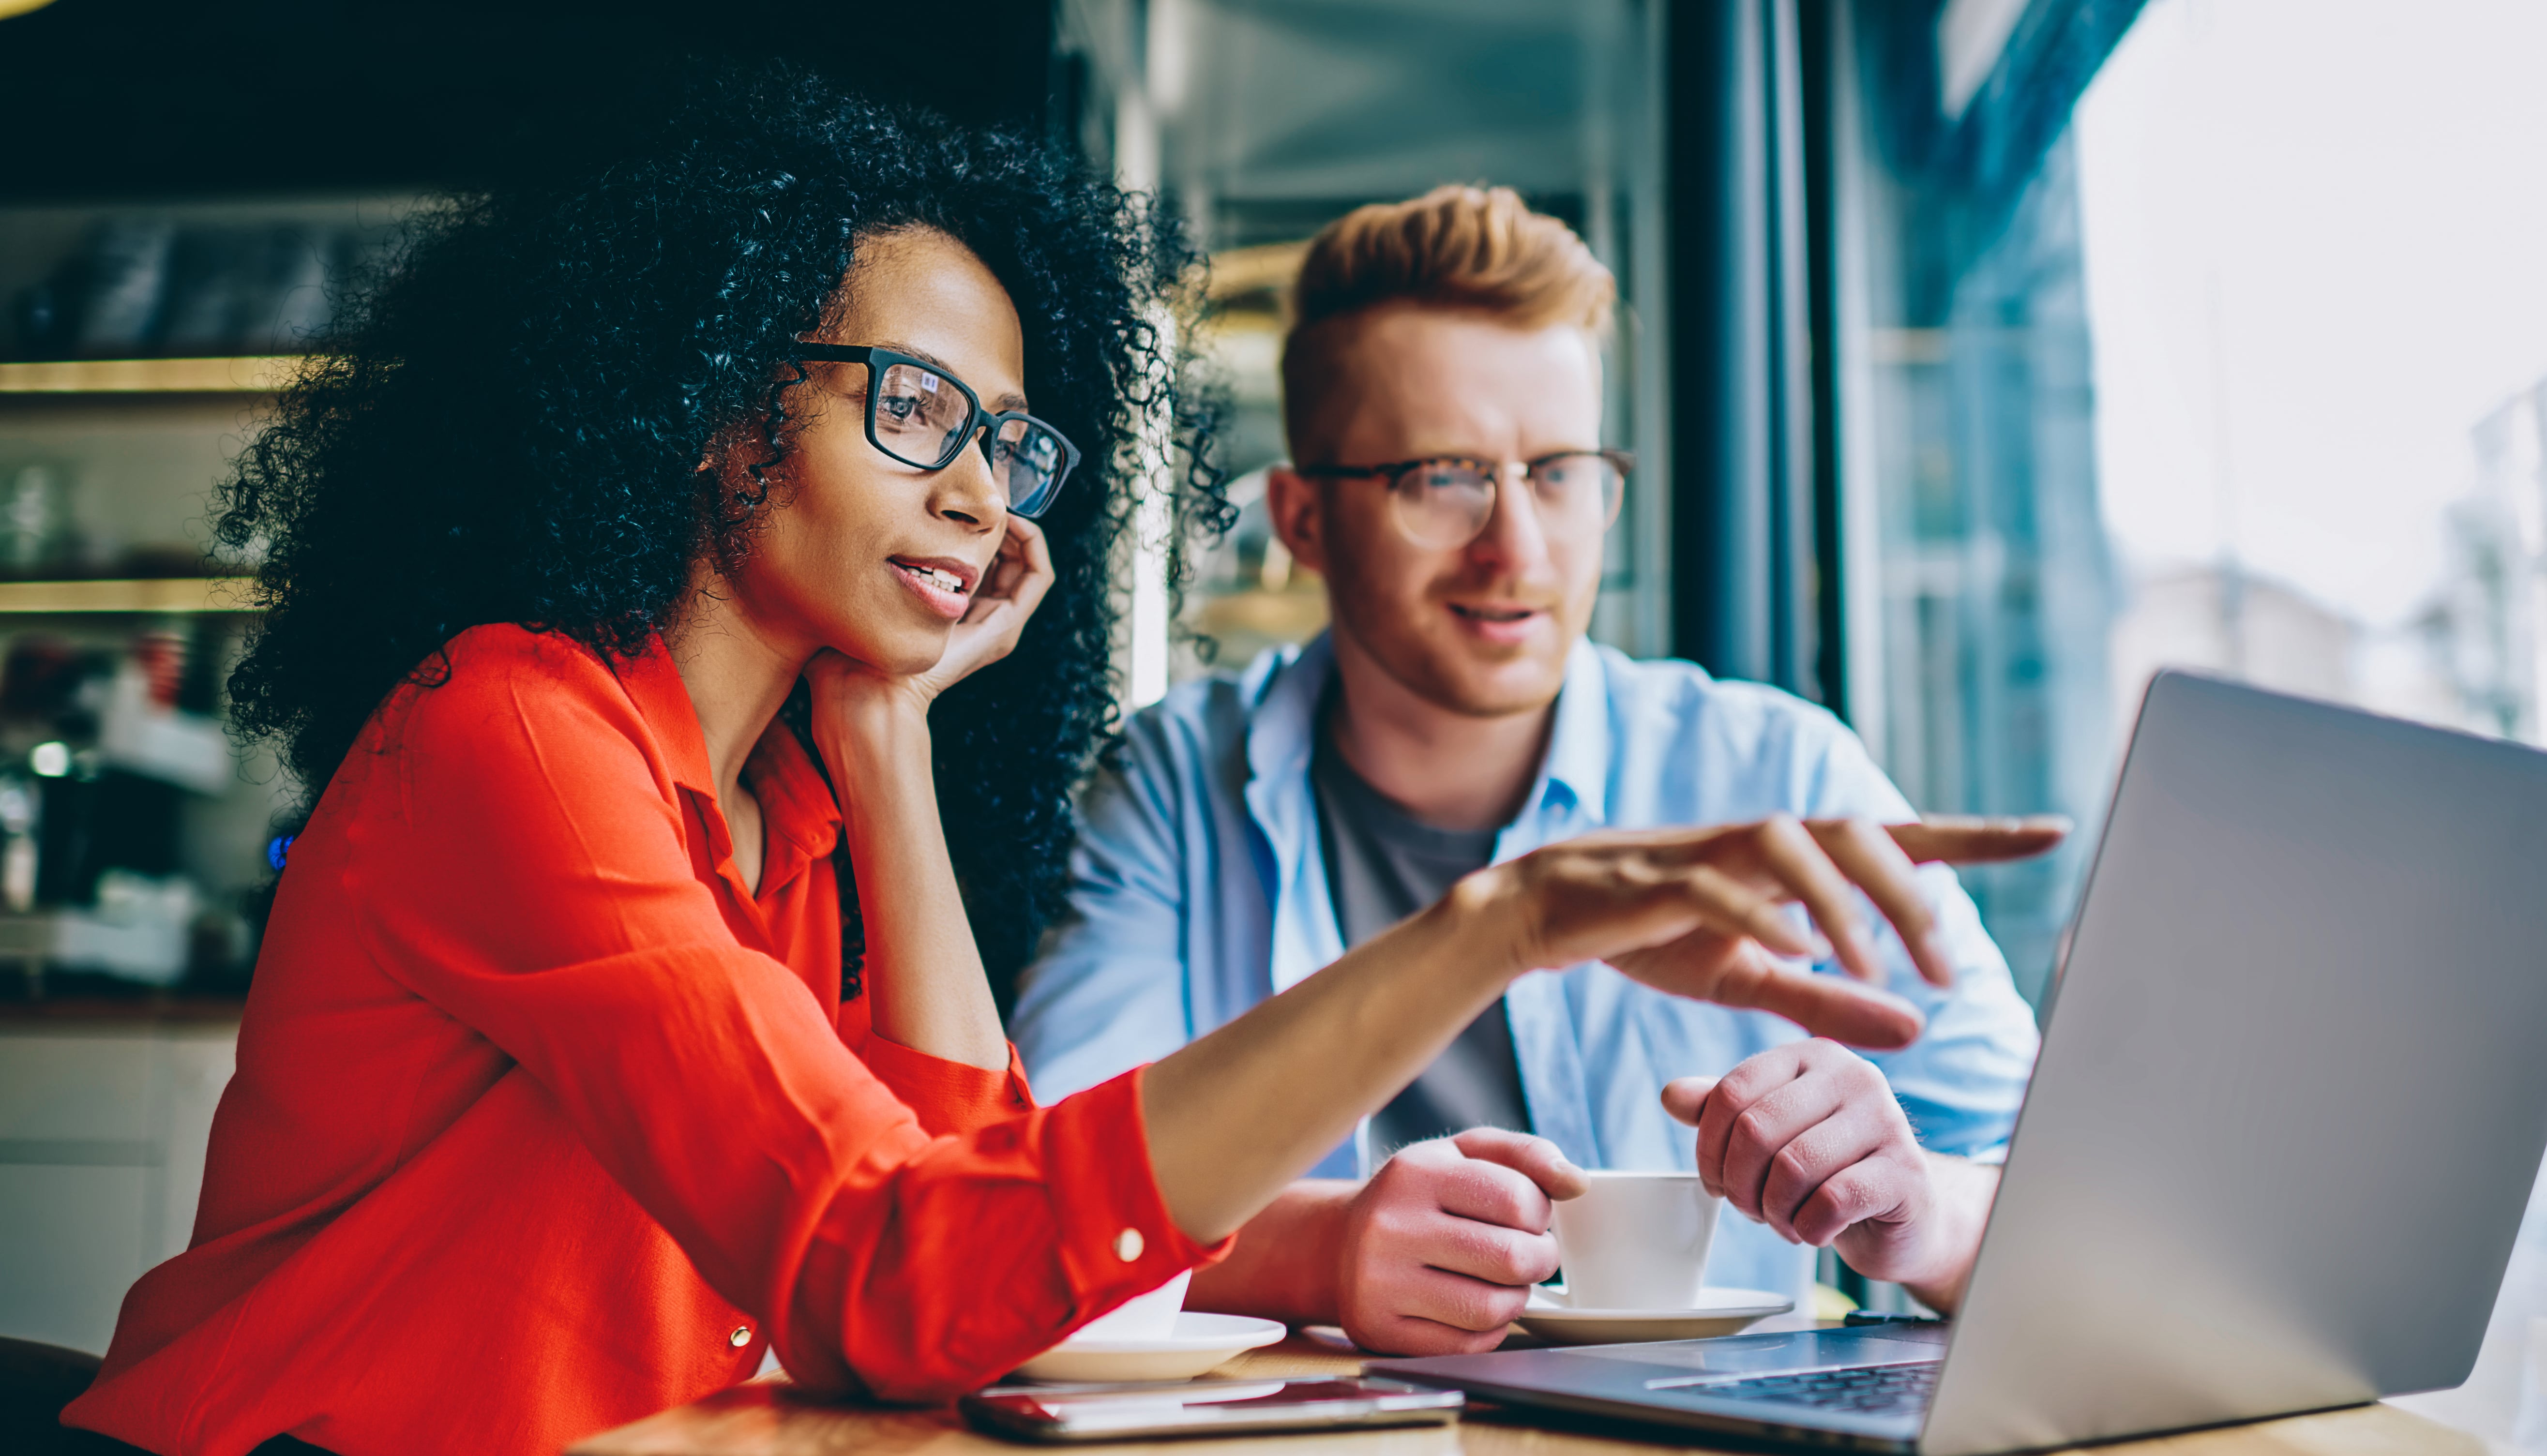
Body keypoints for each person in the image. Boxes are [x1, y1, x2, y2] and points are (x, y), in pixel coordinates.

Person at [59, 81, 2056, 1456]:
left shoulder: (800, 803)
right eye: (912, 405)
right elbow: (902, 1263)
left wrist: (893, 729)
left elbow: (957, 1229)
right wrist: (1497, 926)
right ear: (703, 407)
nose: (971, 490)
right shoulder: (514, 730)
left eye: (1006, 441)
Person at [1010, 185, 2057, 1355]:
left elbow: (2065, 1196)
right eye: (1442, 477)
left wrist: (1920, 1212)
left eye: (1558, 472)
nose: (1518, 547)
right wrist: (1323, 1247)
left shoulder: (1776, 769)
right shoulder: (1174, 782)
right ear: (1303, 520)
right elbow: (1040, 1198)